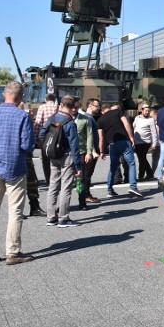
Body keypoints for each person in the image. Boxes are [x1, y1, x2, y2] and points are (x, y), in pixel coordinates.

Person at [0, 82, 36, 264]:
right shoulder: (22, 116)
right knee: (15, 212)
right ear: (21, 96)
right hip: (15, 167)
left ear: (4, 93)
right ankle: (12, 252)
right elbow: (27, 145)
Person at [39, 95, 84, 228]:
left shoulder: (51, 118)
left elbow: (42, 134)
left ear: (61, 105)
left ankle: (51, 217)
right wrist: (78, 165)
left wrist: (49, 146)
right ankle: (63, 218)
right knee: (66, 187)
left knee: (53, 185)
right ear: (72, 107)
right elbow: (74, 146)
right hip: (66, 156)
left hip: (53, 155)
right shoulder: (70, 123)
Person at [97, 103, 143, 198]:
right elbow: (126, 124)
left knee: (113, 167)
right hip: (124, 141)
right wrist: (131, 137)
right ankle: (133, 186)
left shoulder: (100, 120)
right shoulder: (117, 112)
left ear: (102, 111)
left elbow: (100, 138)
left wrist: (101, 151)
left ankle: (109, 190)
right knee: (131, 163)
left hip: (112, 144)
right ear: (109, 108)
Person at [20, 102, 46, 217]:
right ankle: (17, 211)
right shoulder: (22, 119)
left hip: (27, 156)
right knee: (17, 185)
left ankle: (34, 207)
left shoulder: (26, 120)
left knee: (32, 182)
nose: (30, 113)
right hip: (21, 155)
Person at [73, 99, 95, 211]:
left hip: (81, 152)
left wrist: (89, 152)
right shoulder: (64, 119)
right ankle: (62, 205)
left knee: (81, 179)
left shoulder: (84, 120)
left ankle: (82, 202)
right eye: (72, 107)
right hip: (67, 154)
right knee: (64, 180)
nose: (74, 109)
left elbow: (90, 136)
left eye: (76, 107)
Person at [78, 98, 101, 205]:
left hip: (90, 149)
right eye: (96, 106)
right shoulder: (88, 118)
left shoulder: (89, 118)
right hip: (90, 151)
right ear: (90, 106)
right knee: (87, 174)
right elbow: (88, 136)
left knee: (87, 174)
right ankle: (86, 195)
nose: (98, 108)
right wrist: (93, 151)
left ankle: (86, 194)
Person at [33, 92, 57, 184]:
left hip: (45, 135)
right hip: (56, 135)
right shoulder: (57, 107)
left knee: (46, 159)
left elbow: (38, 123)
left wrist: (36, 137)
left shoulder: (42, 107)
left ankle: (49, 179)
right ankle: (56, 178)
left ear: (46, 99)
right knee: (56, 157)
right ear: (54, 100)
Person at [132, 103, 158, 181]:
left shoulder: (151, 120)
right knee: (142, 158)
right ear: (142, 110)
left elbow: (154, 132)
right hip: (137, 141)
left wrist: (154, 143)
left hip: (146, 142)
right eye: (146, 111)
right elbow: (134, 125)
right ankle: (150, 173)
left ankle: (141, 176)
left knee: (142, 159)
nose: (147, 112)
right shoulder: (137, 118)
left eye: (148, 111)